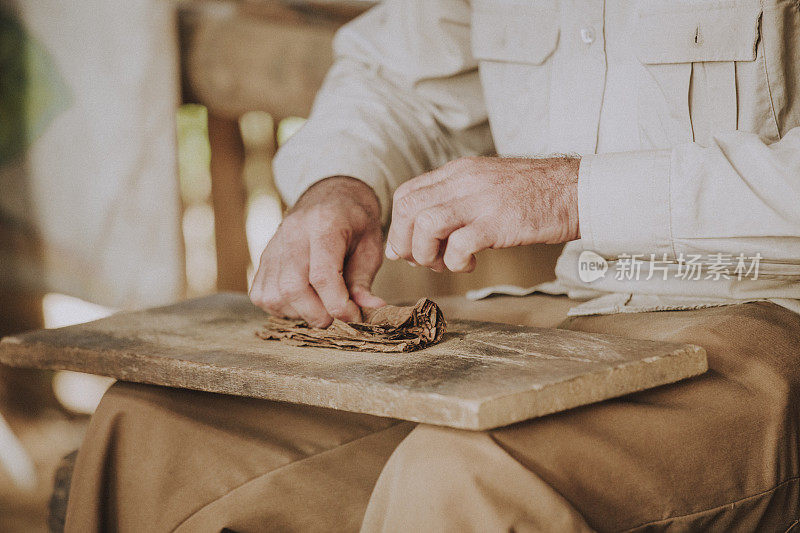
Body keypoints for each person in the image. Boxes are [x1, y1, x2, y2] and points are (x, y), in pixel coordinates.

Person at [65, 1, 800, 530]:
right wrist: (341, 184)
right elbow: (395, 76)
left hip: (770, 317)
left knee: (466, 478)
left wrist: (571, 191)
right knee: (157, 432)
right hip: (580, 305)